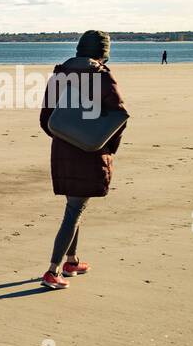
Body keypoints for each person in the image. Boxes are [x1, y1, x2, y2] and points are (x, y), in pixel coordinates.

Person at [37, 30, 128, 289]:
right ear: (102, 53)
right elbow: (119, 117)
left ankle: (72, 260)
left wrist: (65, 138)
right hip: (90, 151)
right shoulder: (101, 76)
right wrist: (103, 146)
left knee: (74, 206)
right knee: (75, 209)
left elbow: (46, 119)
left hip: (63, 149)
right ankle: (52, 271)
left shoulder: (60, 74)